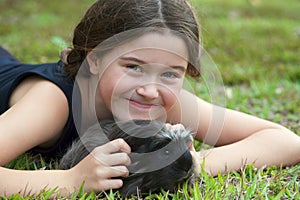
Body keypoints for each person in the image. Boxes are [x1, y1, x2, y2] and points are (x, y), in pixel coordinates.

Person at [0, 0, 299, 197]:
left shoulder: (164, 102)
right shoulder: (51, 103)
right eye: (133, 67)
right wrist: (68, 181)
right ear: (93, 60)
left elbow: (285, 141)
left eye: (170, 73)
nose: (149, 89)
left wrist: (195, 163)